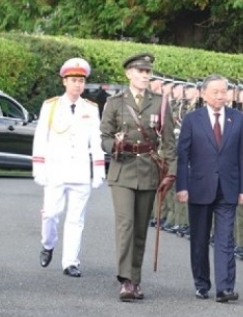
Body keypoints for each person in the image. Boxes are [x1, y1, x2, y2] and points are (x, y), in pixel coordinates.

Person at [99, 52, 177, 302]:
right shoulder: (115, 102)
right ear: (128, 74)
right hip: (122, 169)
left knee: (141, 227)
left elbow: (169, 143)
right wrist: (115, 145)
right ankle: (126, 280)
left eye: (147, 72)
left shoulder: (161, 103)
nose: (145, 75)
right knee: (126, 224)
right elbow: (104, 136)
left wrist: (171, 172)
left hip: (148, 170)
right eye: (140, 71)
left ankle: (136, 279)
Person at [176, 74, 243, 303]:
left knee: (225, 238)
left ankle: (225, 288)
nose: (221, 96)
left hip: (228, 188)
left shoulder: (238, 119)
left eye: (224, 91)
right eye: (216, 92)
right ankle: (201, 283)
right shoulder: (192, 119)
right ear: (204, 94)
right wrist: (182, 186)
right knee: (199, 239)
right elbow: (183, 156)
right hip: (199, 187)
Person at [32, 57, 106, 277]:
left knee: (76, 219)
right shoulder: (51, 106)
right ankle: (48, 244)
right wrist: (39, 168)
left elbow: (96, 140)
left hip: (80, 171)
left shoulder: (91, 108)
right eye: (73, 80)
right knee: (50, 214)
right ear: (64, 81)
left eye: (81, 80)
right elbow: (40, 138)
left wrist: (98, 170)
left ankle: (71, 262)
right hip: (56, 170)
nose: (77, 84)